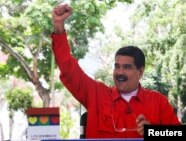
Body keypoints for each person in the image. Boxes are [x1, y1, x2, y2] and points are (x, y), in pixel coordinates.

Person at [51, 4, 181, 138]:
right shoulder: (96, 95)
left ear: (140, 72)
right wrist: (58, 26)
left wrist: (152, 132)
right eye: (117, 66)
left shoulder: (158, 102)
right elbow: (68, 68)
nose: (119, 72)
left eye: (126, 67)